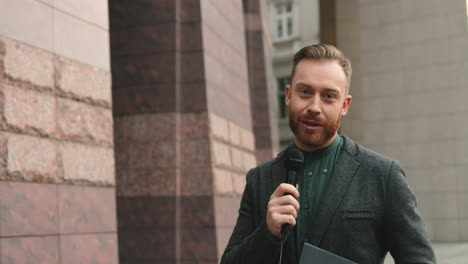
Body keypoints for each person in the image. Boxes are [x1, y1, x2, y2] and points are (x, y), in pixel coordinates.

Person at [220, 44, 436, 264]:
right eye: (305, 92)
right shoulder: (259, 179)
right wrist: (267, 232)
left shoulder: (383, 175)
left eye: (328, 96)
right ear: (288, 95)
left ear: (345, 105)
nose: (314, 106)